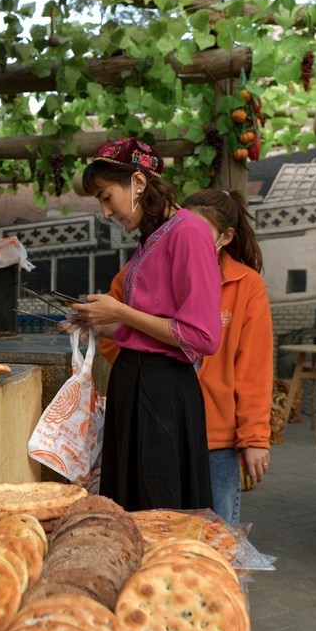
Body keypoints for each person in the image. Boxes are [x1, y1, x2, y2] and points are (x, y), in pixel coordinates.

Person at [62, 138, 223, 512]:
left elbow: (202, 336)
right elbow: (151, 329)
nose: (105, 212)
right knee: (131, 502)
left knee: (159, 507)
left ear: (137, 182)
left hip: (163, 390)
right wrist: (100, 324)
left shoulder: (188, 231)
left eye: (106, 197)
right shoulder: (151, 238)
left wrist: (120, 313)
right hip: (134, 384)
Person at [180, 189, 273, 523]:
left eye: (199, 231)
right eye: (182, 229)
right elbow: (120, 324)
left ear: (226, 237)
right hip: (164, 428)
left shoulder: (246, 285)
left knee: (218, 537)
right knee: (165, 533)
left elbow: (254, 369)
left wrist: (254, 438)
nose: (188, 239)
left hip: (216, 438)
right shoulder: (164, 271)